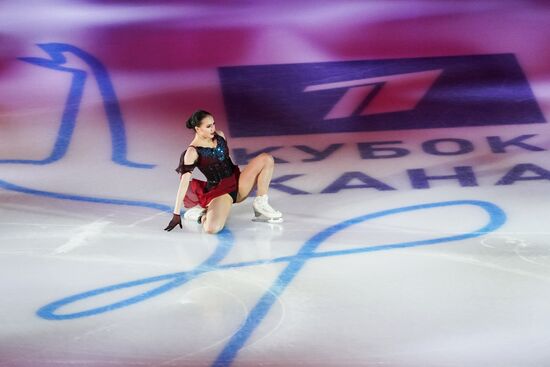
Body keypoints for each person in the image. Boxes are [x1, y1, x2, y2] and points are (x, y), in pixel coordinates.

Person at [164, 110, 283, 234]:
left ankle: (261, 204)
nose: (213, 129)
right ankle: (200, 215)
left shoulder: (220, 136)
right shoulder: (192, 153)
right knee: (212, 229)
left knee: (266, 159)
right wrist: (176, 213)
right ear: (198, 129)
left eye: (213, 124)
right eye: (208, 126)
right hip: (220, 193)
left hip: (237, 183)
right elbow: (183, 183)